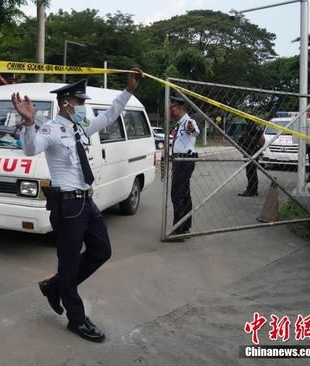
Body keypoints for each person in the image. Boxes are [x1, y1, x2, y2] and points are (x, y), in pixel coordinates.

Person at [11, 69, 143, 343]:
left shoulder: (80, 127)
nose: (83, 107)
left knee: (102, 250)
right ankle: (76, 318)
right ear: (65, 103)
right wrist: (29, 123)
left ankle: (55, 285)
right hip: (68, 205)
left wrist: (128, 91)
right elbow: (31, 149)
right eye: (79, 102)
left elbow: (109, 116)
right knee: (69, 264)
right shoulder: (49, 128)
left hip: (87, 201)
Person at [169, 96, 199, 238]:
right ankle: (185, 226)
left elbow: (194, 131)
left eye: (172, 108)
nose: (171, 111)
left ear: (180, 108)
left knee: (177, 193)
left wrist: (191, 129)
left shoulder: (188, 121)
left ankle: (179, 229)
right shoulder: (179, 123)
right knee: (184, 194)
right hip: (180, 161)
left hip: (185, 161)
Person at [237, 121, 264, 197]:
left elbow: (262, 140)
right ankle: (252, 189)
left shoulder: (255, 128)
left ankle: (252, 190)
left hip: (252, 152)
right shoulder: (250, 127)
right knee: (251, 172)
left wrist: (258, 149)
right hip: (249, 152)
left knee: (251, 172)